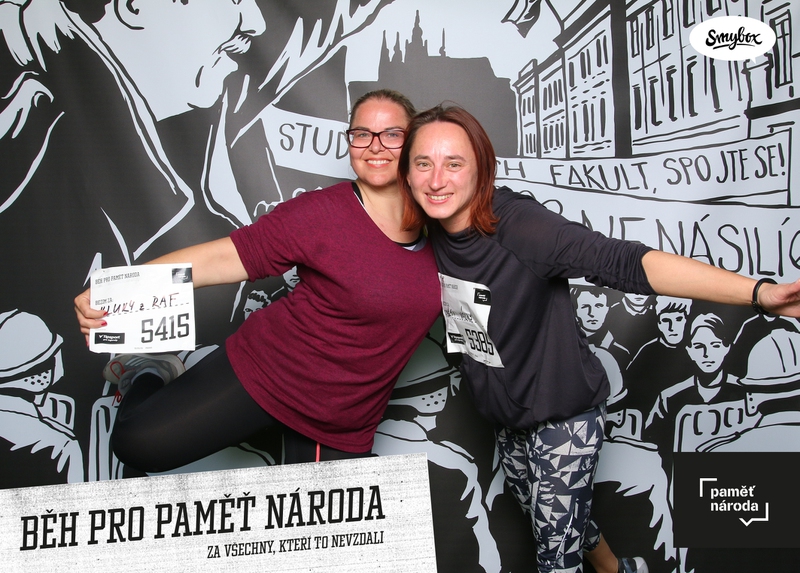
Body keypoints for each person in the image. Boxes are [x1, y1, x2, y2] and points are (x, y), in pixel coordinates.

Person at [398, 104, 800, 573]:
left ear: (481, 168)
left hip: (563, 416)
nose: (437, 179)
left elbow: (623, 262)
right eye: (423, 163)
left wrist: (759, 293)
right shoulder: (425, 232)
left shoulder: (522, 228)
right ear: (407, 175)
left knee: (556, 553)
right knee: (557, 517)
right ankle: (618, 569)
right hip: (508, 418)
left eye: (454, 163)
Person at [73, 89, 441, 469]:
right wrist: (115, 294)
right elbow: (219, 259)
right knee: (137, 445)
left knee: (322, 511)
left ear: (414, 141)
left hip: (343, 418)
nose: (375, 146)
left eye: (392, 134)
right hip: (270, 371)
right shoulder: (320, 213)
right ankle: (148, 371)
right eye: (362, 134)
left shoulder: (441, 222)